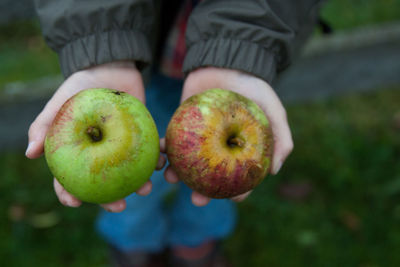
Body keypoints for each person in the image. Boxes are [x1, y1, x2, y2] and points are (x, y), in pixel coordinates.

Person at [26, 0, 322, 266]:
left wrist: (242, 47)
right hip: (141, 56)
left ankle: (196, 245)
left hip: (242, 62)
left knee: (217, 188)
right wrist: (104, 46)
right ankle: (134, 247)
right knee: (135, 189)